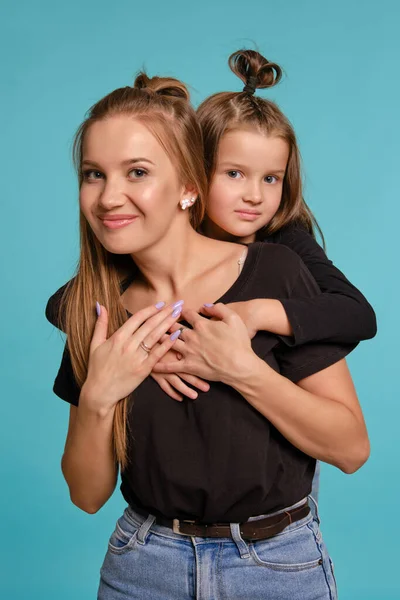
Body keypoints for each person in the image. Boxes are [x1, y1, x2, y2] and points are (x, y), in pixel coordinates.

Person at [46, 70, 370, 600]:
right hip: (142, 568)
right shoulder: (96, 307)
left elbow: (352, 448)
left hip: (274, 567)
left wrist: (239, 370)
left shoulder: (275, 271)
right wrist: (99, 395)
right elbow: (86, 494)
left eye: (137, 172)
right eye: (92, 175)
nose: (109, 197)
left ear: (189, 187)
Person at [152, 49, 377, 502]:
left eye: (271, 179)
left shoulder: (282, 242)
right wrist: (149, 343)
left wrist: (258, 313)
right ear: (194, 171)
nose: (254, 196)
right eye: (235, 173)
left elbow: (358, 314)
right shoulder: (162, 236)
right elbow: (71, 300)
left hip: (269, 502)